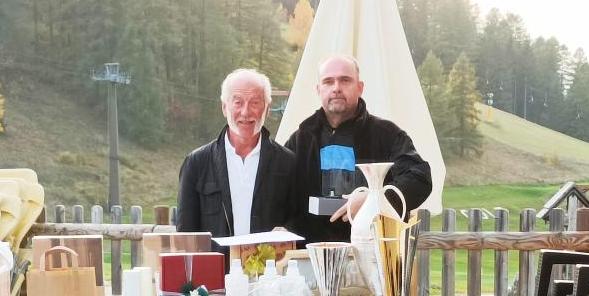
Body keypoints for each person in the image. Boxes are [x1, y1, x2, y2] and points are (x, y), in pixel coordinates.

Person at [285, 54, 432, 242]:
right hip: (310, 254)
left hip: (373, 251)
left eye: (345, 80)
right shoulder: (300, 140)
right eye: (328, 82)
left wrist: (377, 201)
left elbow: (420, 179)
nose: (336, 88)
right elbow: (277, 192)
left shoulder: (387, 135)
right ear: (318, 90)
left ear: (360, 88)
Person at [177, 68, 301, 239]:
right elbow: (185, 234)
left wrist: (287, 232)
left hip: (270, 257)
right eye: (238, 102)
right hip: (215, 257)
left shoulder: (288, 163)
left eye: (255, 102)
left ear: (267, 109)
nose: (246, 112)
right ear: (224, 108)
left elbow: (299, 221)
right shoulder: (197, 163)